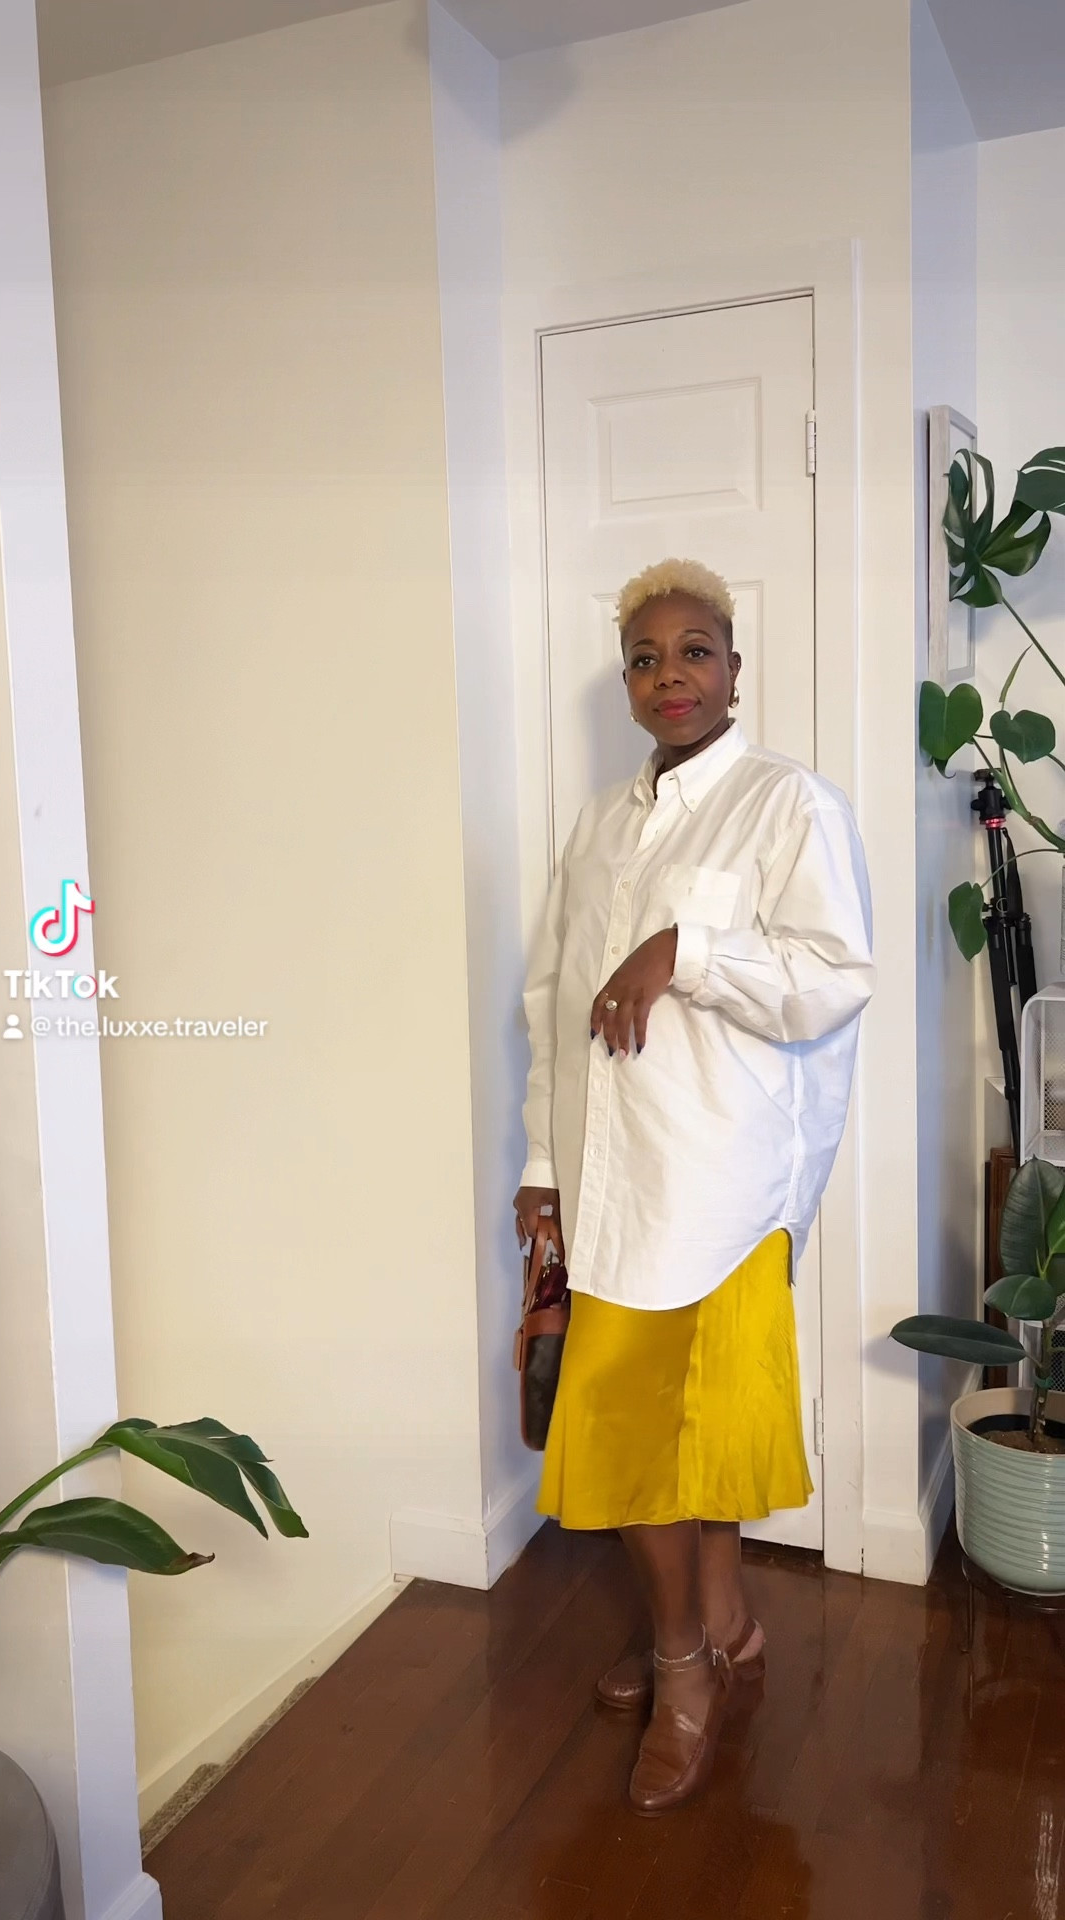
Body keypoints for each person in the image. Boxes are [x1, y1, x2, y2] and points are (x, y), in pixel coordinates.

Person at [513, 558, 874, 1815]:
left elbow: (833, 975)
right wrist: (544, 1169)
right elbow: (554, 1006)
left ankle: (687, 1668)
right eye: (648, 658)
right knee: (641, 1440)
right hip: (612, 1186)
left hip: (721, 1184)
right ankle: (717, 1626)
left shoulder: (789, 807)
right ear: (628, 687)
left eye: (696, 650)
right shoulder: (603, 827)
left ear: (735, 667)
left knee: (688, 1437)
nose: (671, 675)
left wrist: (690, 951)